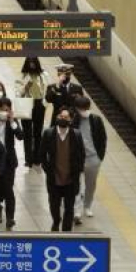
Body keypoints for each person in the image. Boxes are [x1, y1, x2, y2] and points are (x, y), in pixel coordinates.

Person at [39, 107, 85, 231]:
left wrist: (78, 170)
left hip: (71, 178)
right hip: (54, 177)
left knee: (69, 207)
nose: (62, 119)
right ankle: (56, 220)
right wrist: (47, 169)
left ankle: (66, 230)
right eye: (61, 116)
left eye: (66, 117)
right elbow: (42, 154)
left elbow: (81, 155)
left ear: (71, 120)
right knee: (54, 204)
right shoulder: (49, 133)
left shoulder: (76, 135)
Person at [0, 97, 22, 228]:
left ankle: (10, 218)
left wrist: (12, 122)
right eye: (2, 109)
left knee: (8, 190)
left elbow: (20, 136)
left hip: (8, 161)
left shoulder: (12, 122)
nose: (4, 112)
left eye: (7, 110)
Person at [72, 95, 107, 223]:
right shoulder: (74, 121)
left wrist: (100, 157)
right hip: (78, 158)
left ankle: (87, 206)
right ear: (76, 109)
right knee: (77, 184)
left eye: (86, 108)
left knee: (90, 184)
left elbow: (103, 139)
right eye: (81, 108)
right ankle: (77, 210)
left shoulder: (96, 120)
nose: (84, 110)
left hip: (93, 158)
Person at [19, 57, 48, 168]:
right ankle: (28, 159)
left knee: (37, 132)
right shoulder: (23, 76)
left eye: (33, 62)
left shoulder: (43, 75)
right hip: (26, 103)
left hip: (39, 104)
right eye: (29, 63)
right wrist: (26, 87)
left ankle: (37, 158)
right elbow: (18, 92)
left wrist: (44, 103)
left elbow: (47, 89)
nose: (31, 65)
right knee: (27, 133)